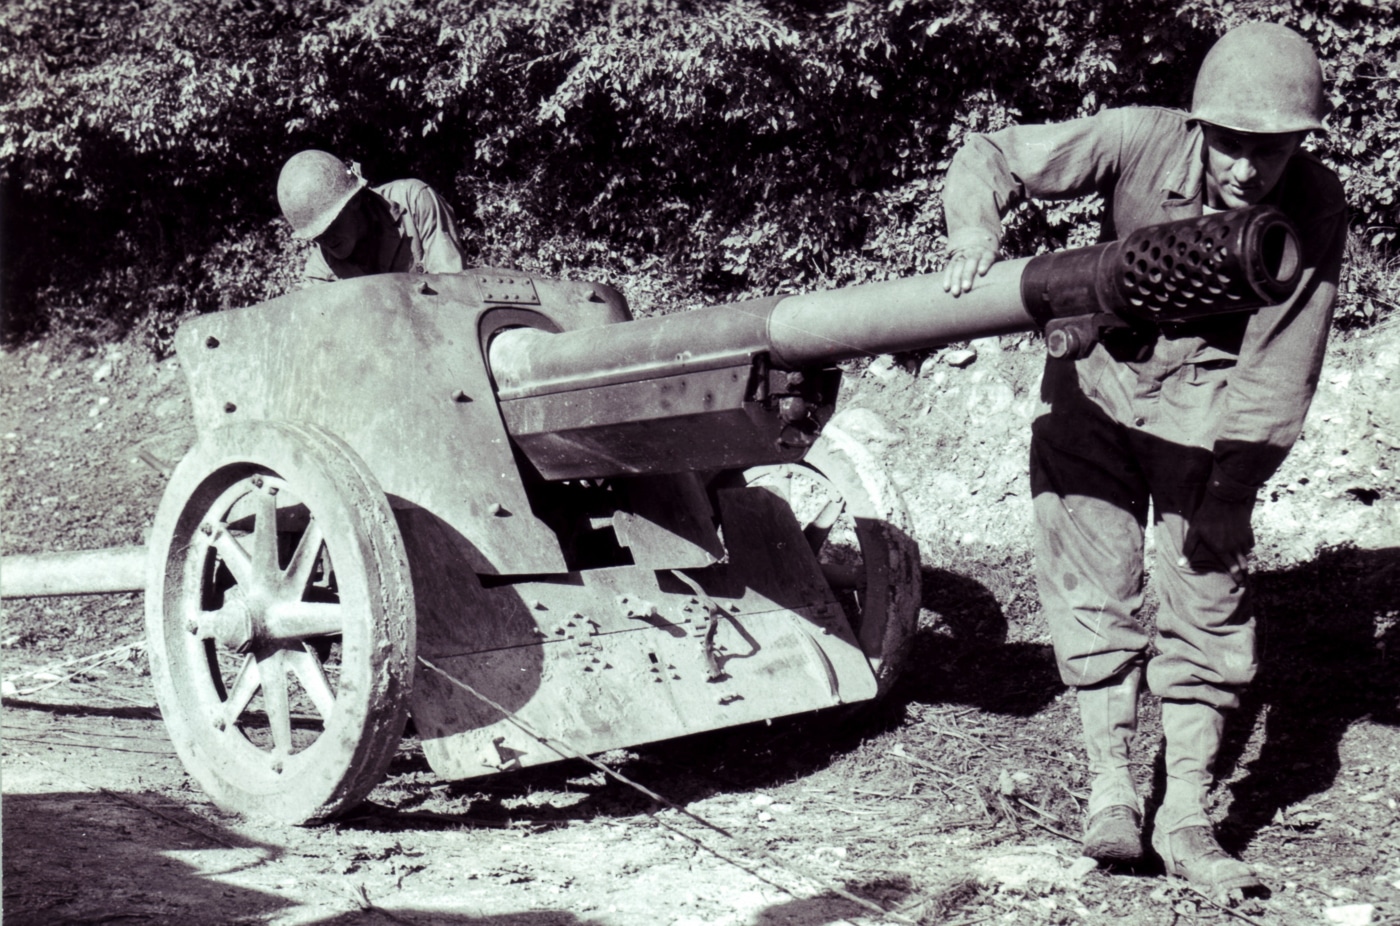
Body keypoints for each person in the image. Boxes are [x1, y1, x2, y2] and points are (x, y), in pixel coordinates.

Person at [940, 22, 1346, 894]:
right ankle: (1112, 791)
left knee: (1206, 599)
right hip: (1095, 387)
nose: (1248, 169)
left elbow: (1281, 365)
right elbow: (995, 155)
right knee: (1093, 587)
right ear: (1199, 126)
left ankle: (1189, 818)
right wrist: (973, 233)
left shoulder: (1311, 204)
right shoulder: (1137, 135)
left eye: (1270, 150)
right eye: (1231, 144)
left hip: (1210, 407)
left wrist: (1235, 487)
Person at [276, 149, 467, 284]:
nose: (327, 240)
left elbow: (453, 290)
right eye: (316, 236)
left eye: (330, 226)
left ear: (355, 202)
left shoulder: (414, 202)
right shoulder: (320, 274)